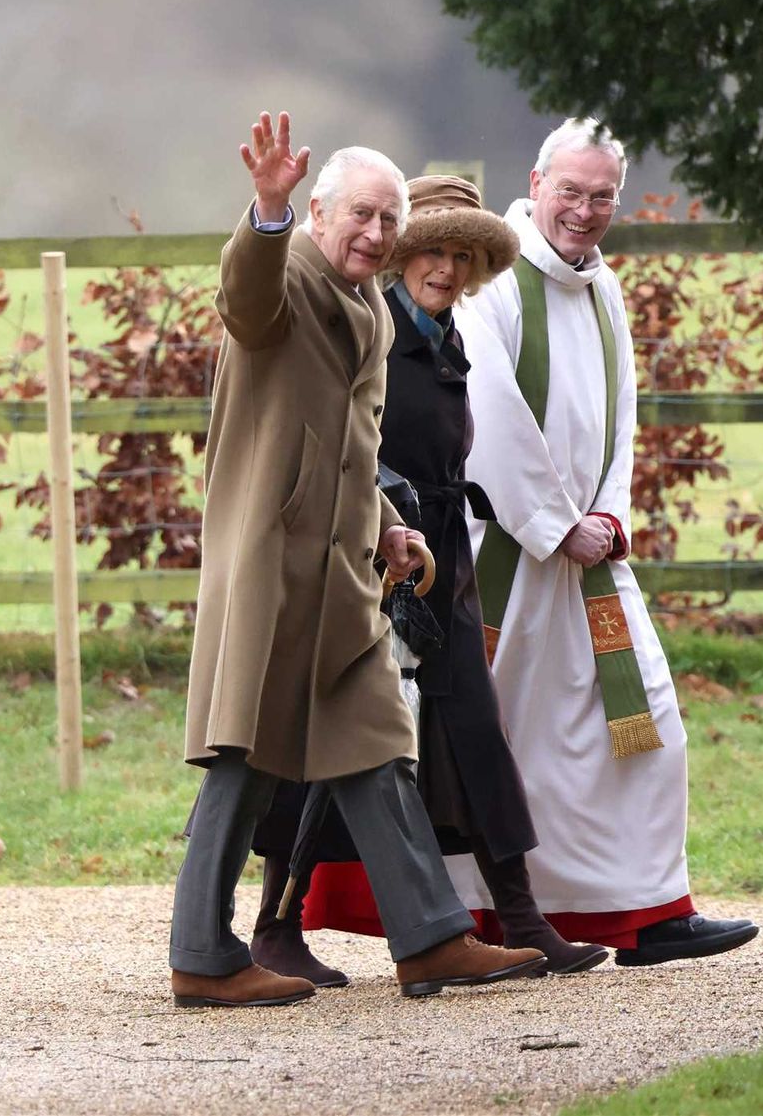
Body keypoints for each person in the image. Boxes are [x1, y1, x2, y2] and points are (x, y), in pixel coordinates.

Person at [168, 112, 547, 1007]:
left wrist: (387, 523)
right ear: (320, 215)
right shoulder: (289, 275)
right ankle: (200, 954)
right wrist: (265, 211)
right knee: (244, 753)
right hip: (269, 565)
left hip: (338, 570)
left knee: (377, 740)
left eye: (388, 220)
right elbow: (243, 301)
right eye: (360, 217)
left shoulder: (370, 304)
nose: (376, 234)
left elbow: (348, 444)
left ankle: (428, 940)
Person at [251, 177, 610, 980]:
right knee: (329, 741)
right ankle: (276, 928)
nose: (446, 268)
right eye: (432, 251)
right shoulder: (370, 326)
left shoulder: (450, 335)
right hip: (369, 564)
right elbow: (342, 433)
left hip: (442, 562)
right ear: (403, 255)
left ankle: (519, 916)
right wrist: (384, 520)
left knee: (476, 734)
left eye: (462, 255)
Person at [442, 119, 759, 966]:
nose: (584, 211)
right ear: (537, 180)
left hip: (590, 555)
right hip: (511, 555)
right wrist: (554, 525)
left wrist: (610, 517)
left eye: (602, 195)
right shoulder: (495, 283)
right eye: (571, 191)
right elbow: (492, 417)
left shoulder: (602, 286)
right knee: (502, 737)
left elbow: (622, 413)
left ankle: (647, 911)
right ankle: (477, 916)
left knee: (646, 723)